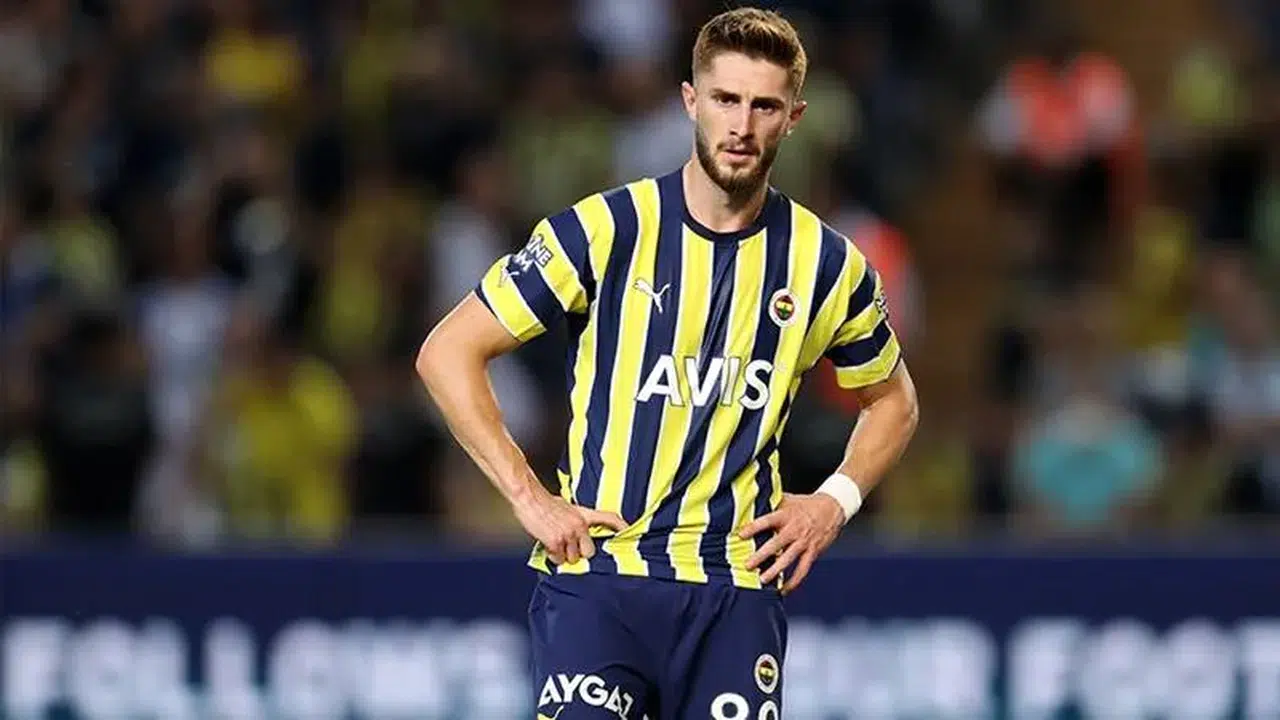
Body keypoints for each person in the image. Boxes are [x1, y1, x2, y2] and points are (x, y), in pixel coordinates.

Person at [416, 8, 919, 719]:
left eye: (764, 106)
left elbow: (893, 400)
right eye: (725, 99)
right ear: (690, 101)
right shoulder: (606, 229)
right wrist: (528, 497)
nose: (741, 125)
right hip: (600, 577)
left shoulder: (827, 264)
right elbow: (448, 351)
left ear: (794, 119)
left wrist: (833, 501)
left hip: (735, 591)